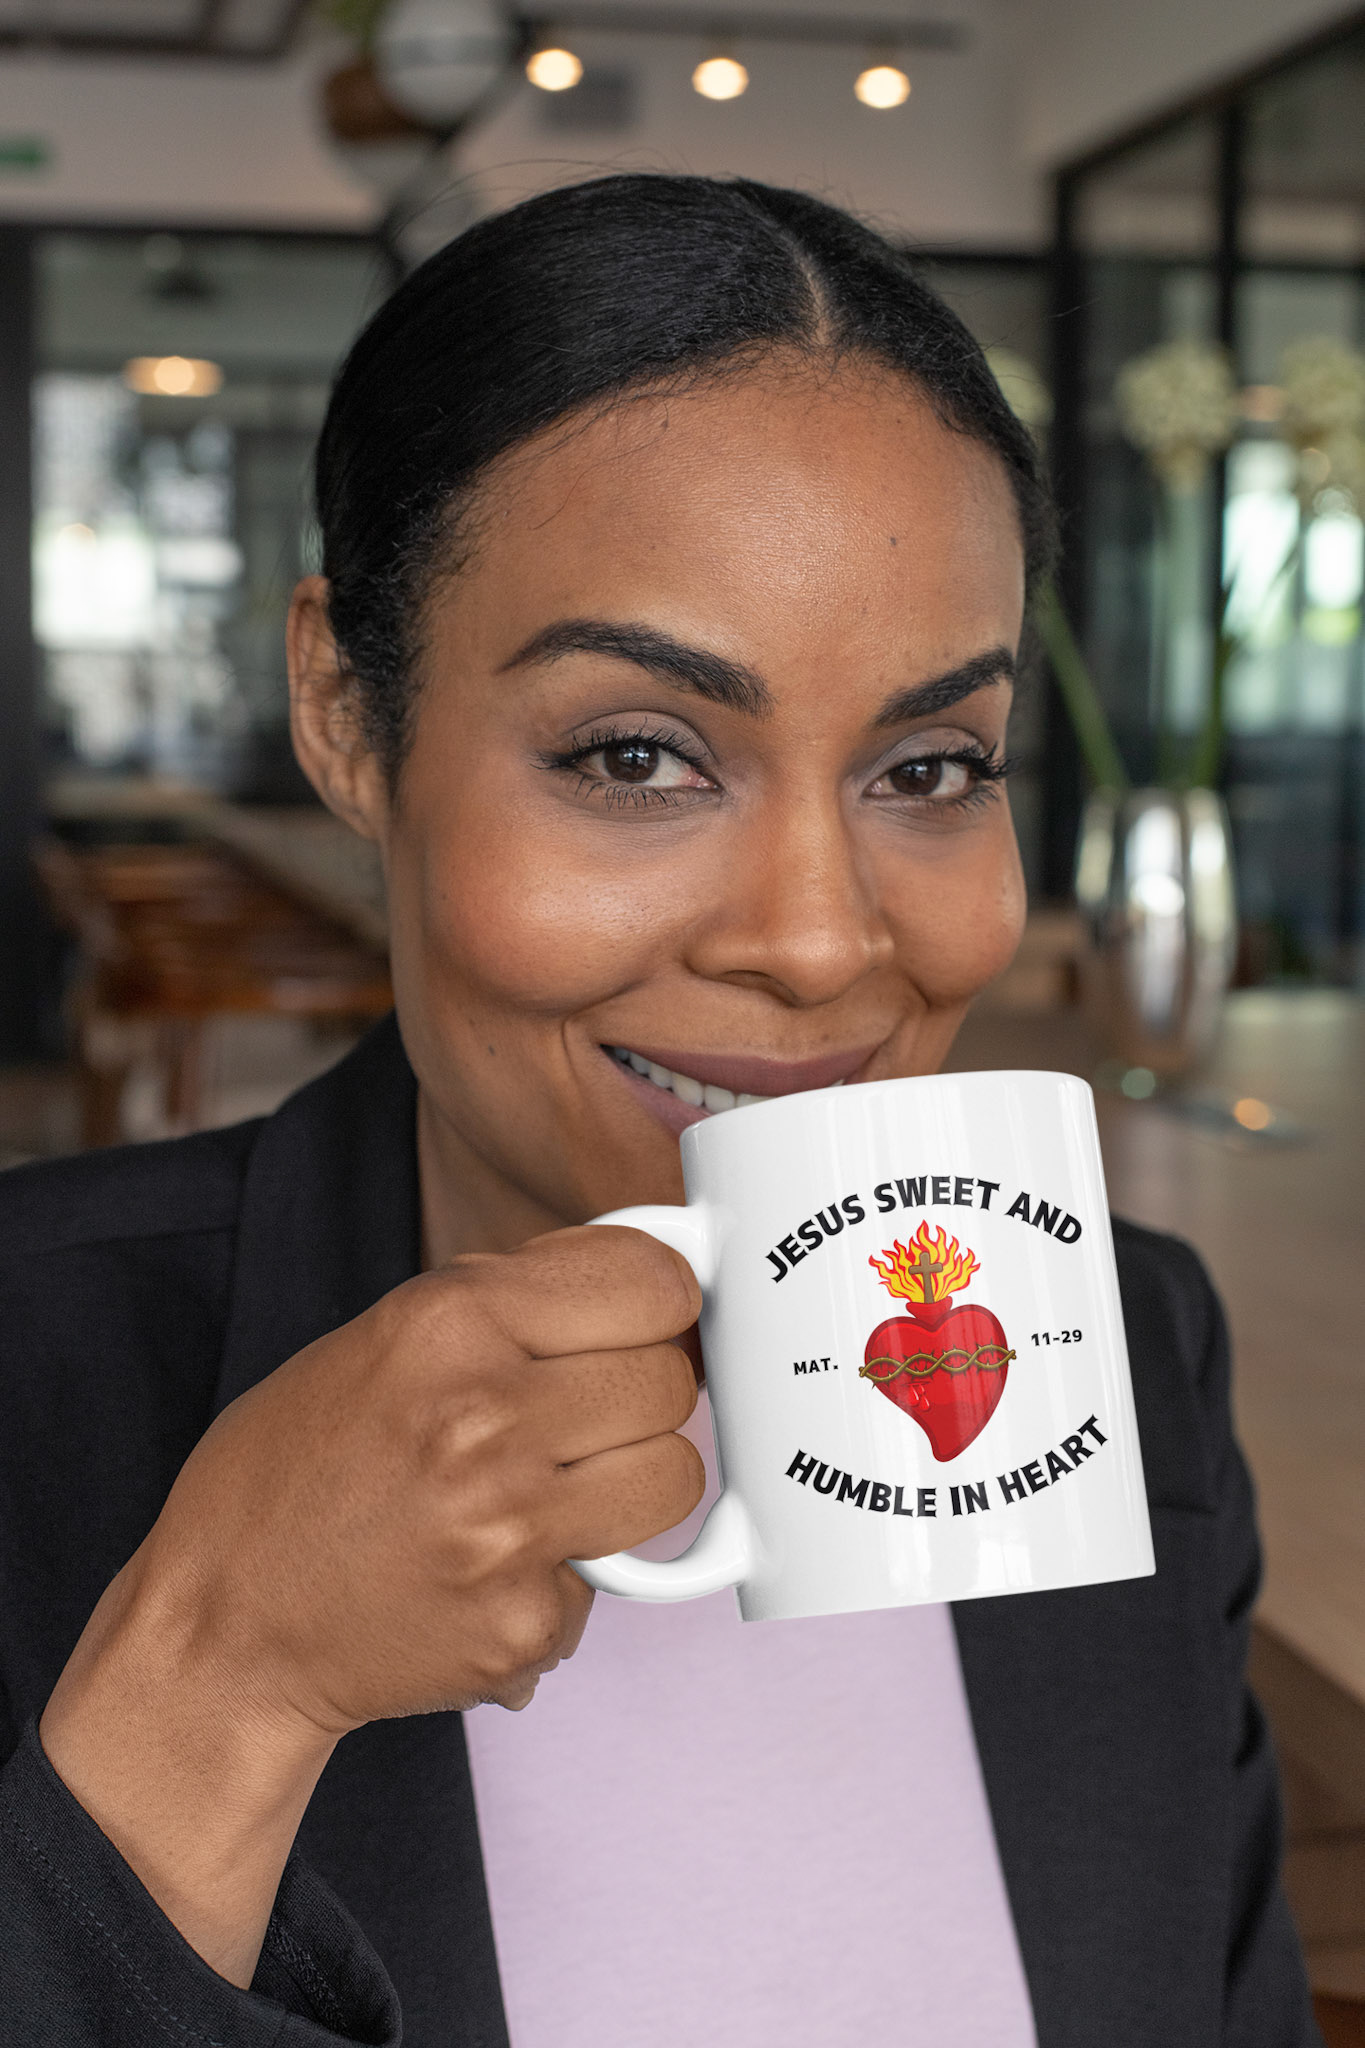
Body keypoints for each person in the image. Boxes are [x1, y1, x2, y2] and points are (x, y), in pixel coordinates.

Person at [0, 174, 1318, 2048]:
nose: (817, 939)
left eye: (929, 767)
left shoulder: (1123, 1340)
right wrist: (223, 1679)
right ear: (346, 712)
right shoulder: (36, 1371)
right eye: (636, 755)